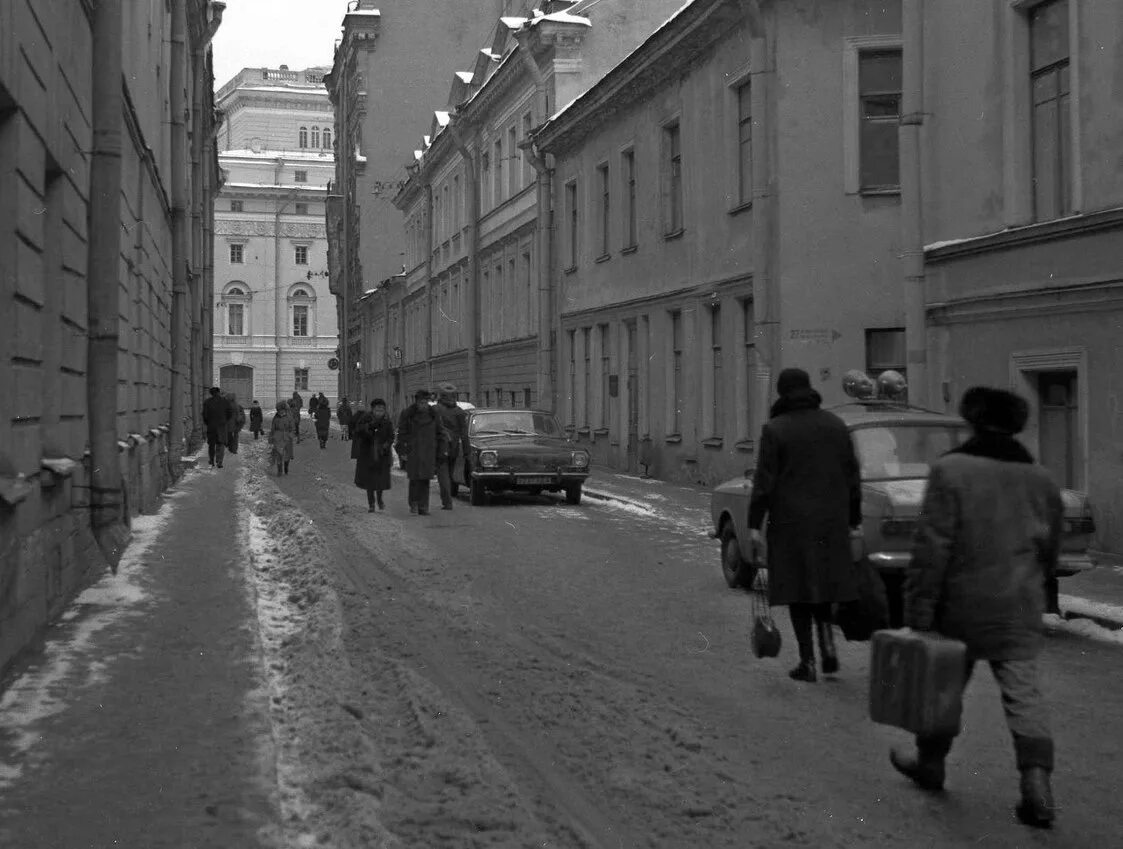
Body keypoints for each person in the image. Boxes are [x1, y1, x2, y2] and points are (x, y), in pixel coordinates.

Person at [890, 386, 1063, 829]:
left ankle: (931, 763)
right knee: (1024, 694)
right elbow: (1050, 548)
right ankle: (1037, 783)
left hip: (960, 602)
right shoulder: (1041, 478)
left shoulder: (950, 471)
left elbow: (932, 547)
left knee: (943, 687)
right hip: (1018, 603)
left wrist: (919, 610)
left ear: (973, 419)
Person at [747, 368, 861, 683]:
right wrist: (853, 521)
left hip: (791, 524)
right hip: (831, 523)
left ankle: (807, 662)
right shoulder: (837, 426)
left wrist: (755, 525)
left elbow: (764, 482)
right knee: (824, 588)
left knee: (799, 593)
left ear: (782, 393)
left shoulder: (776, 429)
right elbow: (853, 479)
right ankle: (829, 650)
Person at [394, 388, 449, 516]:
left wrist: (442, 450)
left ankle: (423, 507)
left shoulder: (433, 414)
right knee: (414, 479)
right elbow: (401, 433)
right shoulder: (408, 414)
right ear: (417, 402)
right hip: (413, 451)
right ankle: (413, 503)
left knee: (425, 480)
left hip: (429, 451)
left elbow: (440, 433)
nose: (423, 405)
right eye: (421, 402)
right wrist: (403, 449)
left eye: (425, 402)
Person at [351, 398, 395, 512]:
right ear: (372, 410)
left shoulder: (387, 421)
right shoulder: (365, 419)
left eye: (381, 410)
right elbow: (358, 431)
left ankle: (380, 500)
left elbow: (391, 436)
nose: (379, 412)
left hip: (382, 455)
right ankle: (371, 504)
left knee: (380, 481)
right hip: (368, 454)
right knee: (369, 481)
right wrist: (369, 427)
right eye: (377, 410)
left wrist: (386, 445)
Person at [433, 383, 471, 510]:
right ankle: (447, 499)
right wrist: (467, 452)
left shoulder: (435, 410)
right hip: (453, 447)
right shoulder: (459, 412)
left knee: (443, 475)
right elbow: (464, 435)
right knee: (448, 474)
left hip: (439, 447)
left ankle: (447, 502)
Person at [202, 387, 232, 469]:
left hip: (211, 426)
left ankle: (211, 461)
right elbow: (230, 413)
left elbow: (205, 415)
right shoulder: (225, 401)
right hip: (222, 426)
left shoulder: (207, 402)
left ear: (211, 393)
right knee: (221, 444)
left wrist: (208, 423)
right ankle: (219, 462)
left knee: (211, 444)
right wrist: (225, 420)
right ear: (218, 392)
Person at [269, 400, 295, 475]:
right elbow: (273, 428)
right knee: (278, 454)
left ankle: (286, 466)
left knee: (287, 454)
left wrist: (290, 435)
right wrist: (271, 437)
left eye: (282, 410)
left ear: (285, 410)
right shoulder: (276, 417)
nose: (281, 412)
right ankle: (279, 470)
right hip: (278, 437)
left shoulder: (289, 417)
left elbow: (293, 428)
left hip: (287, 437)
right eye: (279, 410)